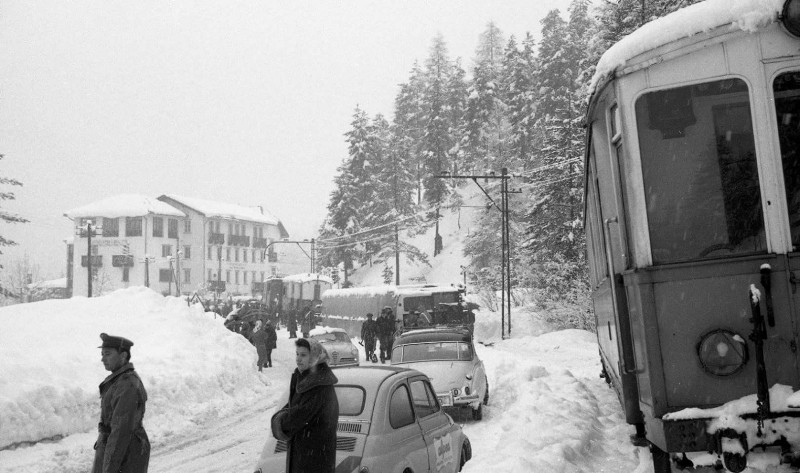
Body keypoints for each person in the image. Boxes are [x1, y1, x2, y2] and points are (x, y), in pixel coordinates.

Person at [276, 338, 339, 473]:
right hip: (307, 456)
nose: (298, 359)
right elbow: (293, 408)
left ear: (315, 357)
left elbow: (297, 416)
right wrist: (283, 415)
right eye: (297, 354)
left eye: (303, 355)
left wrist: (279, 421)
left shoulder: (318, 385)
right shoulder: (306, 379)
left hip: (313, 460)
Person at [93, 333, 149, 473]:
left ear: (123, 356)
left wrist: (110, 468)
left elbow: (120, 432)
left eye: (107, 354)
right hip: (114, 451)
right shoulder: (118, 381)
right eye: (102, 354)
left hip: (126, 454)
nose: (102, 359)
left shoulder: (127, 385)